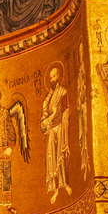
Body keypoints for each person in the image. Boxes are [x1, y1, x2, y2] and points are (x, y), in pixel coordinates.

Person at [40, 65, 72, 203]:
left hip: (61, 128)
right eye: (51, 77)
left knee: (60, 158)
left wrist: (60, 121)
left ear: (59, 76)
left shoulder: (63, 92)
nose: (53, 79)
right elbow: (43, 119)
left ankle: (64, 184)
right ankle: (55, 188)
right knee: (52, 160)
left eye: (55, 76)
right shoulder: (47, 99)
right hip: (51, 130)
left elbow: (66, 110)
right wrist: (49, 118)